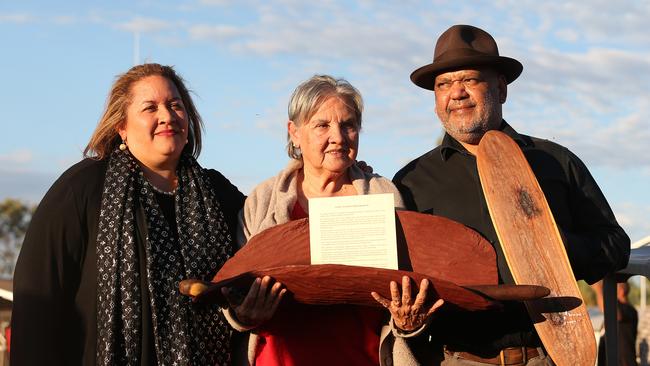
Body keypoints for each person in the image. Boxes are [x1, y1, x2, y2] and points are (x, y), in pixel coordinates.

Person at [393, 24, 631, 365]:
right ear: (435, 101)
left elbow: (616, 244)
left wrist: (557, 249)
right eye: (444, 84)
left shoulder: (555, 162)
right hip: (456, 359)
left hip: (546, 356)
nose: (456, 93)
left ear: (501, 89)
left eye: (470, 80)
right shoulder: (412, 181)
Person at [11, 63, 245, 365]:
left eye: (176, 105)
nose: (167, 116)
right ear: (121, 125)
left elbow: (262, 250)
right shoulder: (82, 189)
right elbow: (38, 299)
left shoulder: (217, 193)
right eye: (150, 108)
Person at [221, 75, 443, 366]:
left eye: (348, 124)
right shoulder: (263, 200)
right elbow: (236, 289)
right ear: (295, 133)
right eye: (322, 125)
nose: (338, 137)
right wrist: (243, 315)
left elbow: (406, 283)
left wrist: (406, 320)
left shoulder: (383, 194)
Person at [593, 281, 638, 366]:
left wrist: (599, 290)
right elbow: (604, 308)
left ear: (621, 290)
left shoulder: (629, 310)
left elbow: (609, 311)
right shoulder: (618, 306)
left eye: (615, 287)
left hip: (624, 361)